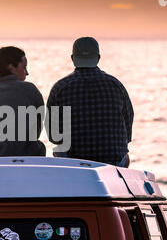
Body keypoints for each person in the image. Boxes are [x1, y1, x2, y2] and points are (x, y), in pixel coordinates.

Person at [47, 37, 134, 167]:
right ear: (98, 58)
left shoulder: (60, 87)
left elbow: (53, 135)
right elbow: (128, 122)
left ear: (72, 58)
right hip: (113, 160)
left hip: (75, 161)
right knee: (125, 156)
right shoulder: (116, 85)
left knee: (58, 151)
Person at [0, 46, 46, 158]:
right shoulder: (30, 90)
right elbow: (36, 132)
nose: (27, 72)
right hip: (27, 158)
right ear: (11, 67)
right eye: (24, 67)